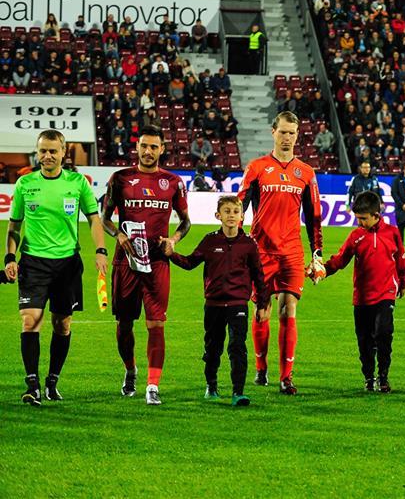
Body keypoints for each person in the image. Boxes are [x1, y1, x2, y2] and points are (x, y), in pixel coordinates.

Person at [5, 130, 108, 405]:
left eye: (53, 151)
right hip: (33, 263)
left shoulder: (77, 183)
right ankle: (32, 385)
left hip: (67, 265)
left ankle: (52, 381)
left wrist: (100, 250)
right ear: (37, 153)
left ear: (64, 152)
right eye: (43, 151)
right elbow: (14, 225)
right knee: (30, 321)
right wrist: (9, 257)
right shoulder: (25, 184)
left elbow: (94, 219)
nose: (47, 156)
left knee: (62, 324)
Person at [101, 126, 191, 406]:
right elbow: (105, 218)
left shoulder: (173, 182)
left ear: (162, 149)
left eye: (153, 147)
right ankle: (130, 370)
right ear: (137, 147)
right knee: (124, 324)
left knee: (156, 324)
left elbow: (186, 221)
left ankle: (153, 385)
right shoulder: (120, 179)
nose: (148, 151)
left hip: (157, 261)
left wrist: (174, 239)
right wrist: (118, 235)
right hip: (126, 260)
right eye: (144, 146)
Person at [238, 112, 324, 395]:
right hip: (261, 251)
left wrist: (317, 253)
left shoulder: (306, 173)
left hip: (291, 253)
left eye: (292, 133)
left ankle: (286, 376)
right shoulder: (257, 168)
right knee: (262, 311)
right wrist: (236, 242)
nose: (287, 137)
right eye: (283, 132)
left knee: (288, 308)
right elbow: (240, 206)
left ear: (297, 135)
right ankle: (261, 368)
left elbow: (313, 216)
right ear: (273, 132)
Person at [166, 196, 269, 406]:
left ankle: (238, 392)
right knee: (213, 348)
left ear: (242, 216)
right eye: (227, 211)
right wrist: (171, 254)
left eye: (235, 212)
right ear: (218, 215)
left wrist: (262, 304)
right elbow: (190, 263)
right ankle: (211, 386)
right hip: (213, 305)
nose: (231, 215)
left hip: (238, 304)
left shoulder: (248, 244)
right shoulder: (210, 241)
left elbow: (259, 276)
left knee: (238, 347)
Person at [323, 191, 405, 393]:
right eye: (357, 218)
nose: (359, 222)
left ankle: (384, 377)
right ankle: (369, 377)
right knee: (364, 341)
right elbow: (340, 259)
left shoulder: (392, 233)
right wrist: (324, 270)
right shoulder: (356, 236)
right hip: (362, 296)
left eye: (363, 218)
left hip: (386, 293)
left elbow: (401, 259)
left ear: (376, 215)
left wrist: (403, 281)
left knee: (384, 333)